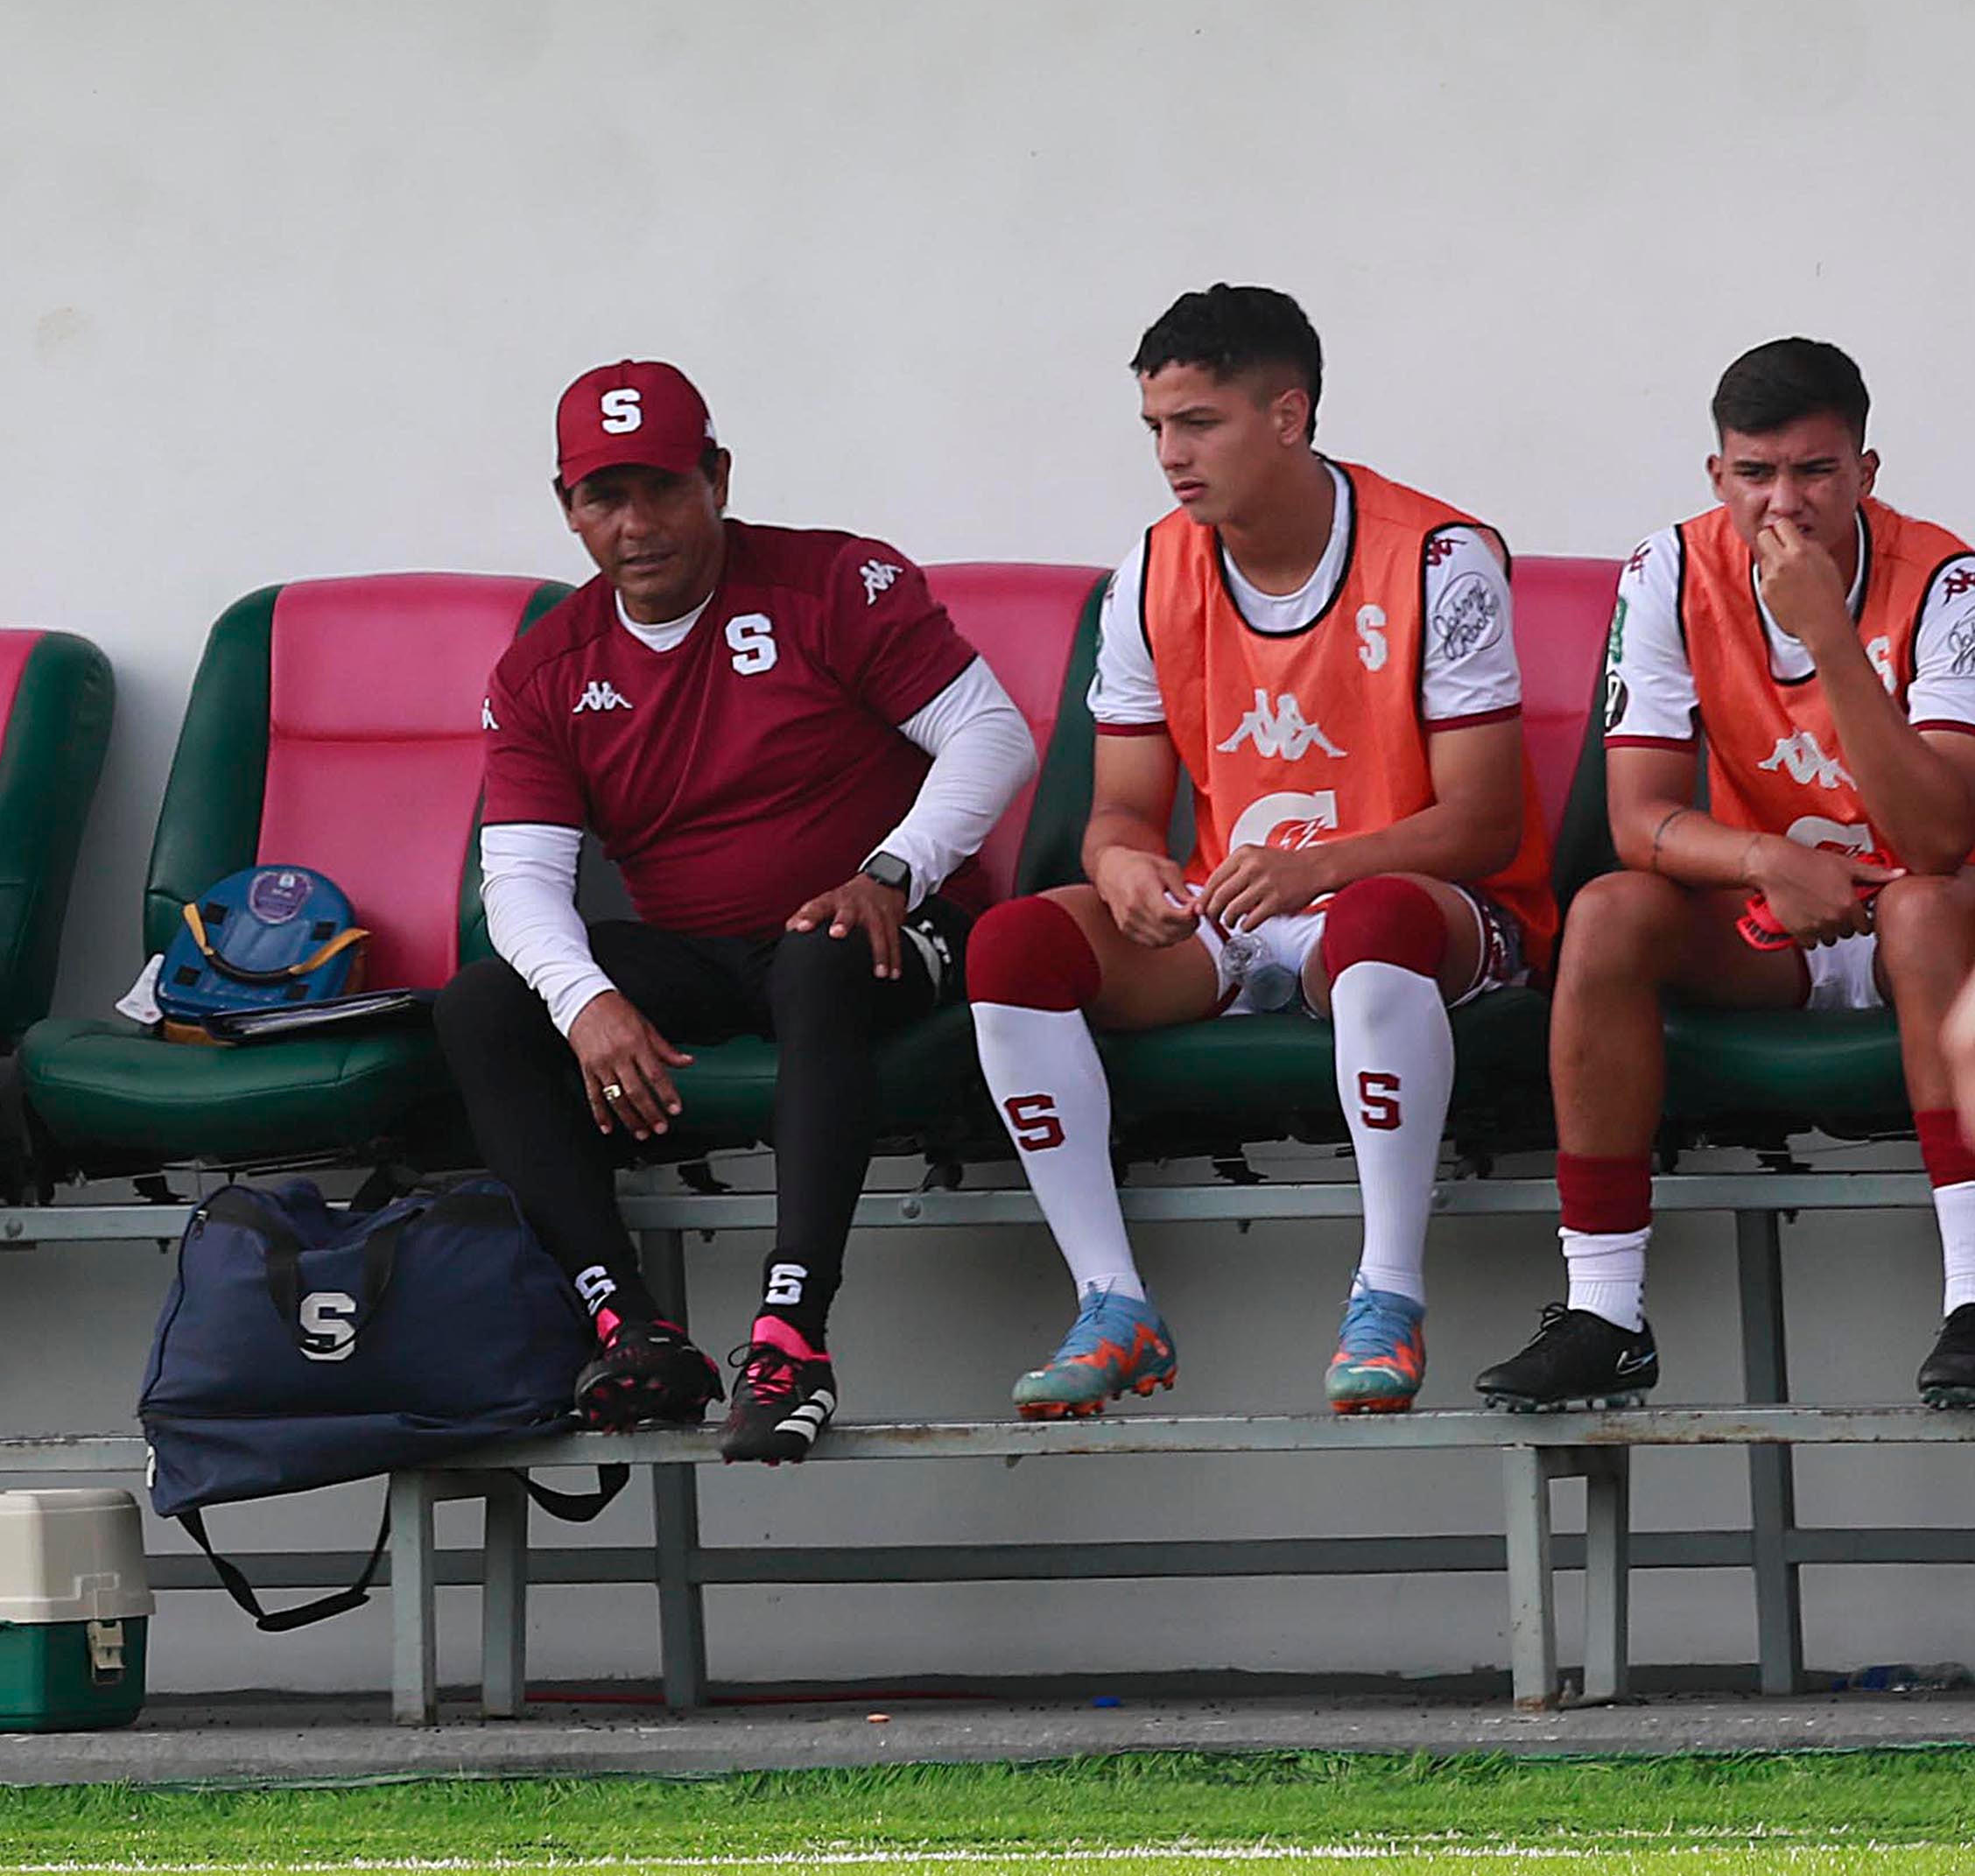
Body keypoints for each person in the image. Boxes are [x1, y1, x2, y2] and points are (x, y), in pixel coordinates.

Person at [966, 285, 1555, 1416]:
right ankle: (1112, 1302)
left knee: (1375, 924)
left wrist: (1323, 864)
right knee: (1013, 947)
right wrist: (1122, 864)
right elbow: (1123, 810)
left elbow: (1486, 822)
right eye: (1155, 428)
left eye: (1199, 423)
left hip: (1436, 911)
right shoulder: (1149, 571)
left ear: (1288, 414)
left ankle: (1386, 1296)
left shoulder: (1440, 557)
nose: (1171, 456)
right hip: (1243, 907)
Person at [439, 361, 1036, 1461]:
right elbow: (517, 880)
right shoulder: (543, 667)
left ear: (717, 476)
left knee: (816, 955)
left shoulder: (832, 581)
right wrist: (585, 1004)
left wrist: (891, 871)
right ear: (566, 508)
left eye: (663, 487)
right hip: (701, 950)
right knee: (484, 1002)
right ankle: (629, 1325)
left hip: (885, 929)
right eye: (602, 498)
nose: (636, 524)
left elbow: (993, 735)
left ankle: (791, 1332)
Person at [1479, 339, 1975, 1412]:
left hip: (1927, 936)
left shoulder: (1948, 577)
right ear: (1717, 476)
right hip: (1777, 922)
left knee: (1929, 907)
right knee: (1611, 913)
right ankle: (1605, 1310)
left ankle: (1974, 1293)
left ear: (1866, 472)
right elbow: (1637, 819)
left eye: (1813, 472)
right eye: (1755, 474)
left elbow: (1936, 838)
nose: (1782, 503)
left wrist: (1830, 638)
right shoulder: (1668, 570)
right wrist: (1764, 856)